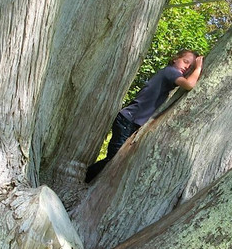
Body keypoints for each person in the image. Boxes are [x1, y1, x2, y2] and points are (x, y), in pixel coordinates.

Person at [86, 49, 204, 181]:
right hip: (129, 119)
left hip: (131, 120)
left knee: (118, 160)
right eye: (185, 61)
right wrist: (198, 68)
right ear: (175, 59)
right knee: (114, 160)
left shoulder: (169, 74)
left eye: (191, 67)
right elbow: (189, 85)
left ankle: (89, 179)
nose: (187, 67)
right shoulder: (171, 71)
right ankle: (86, 178)